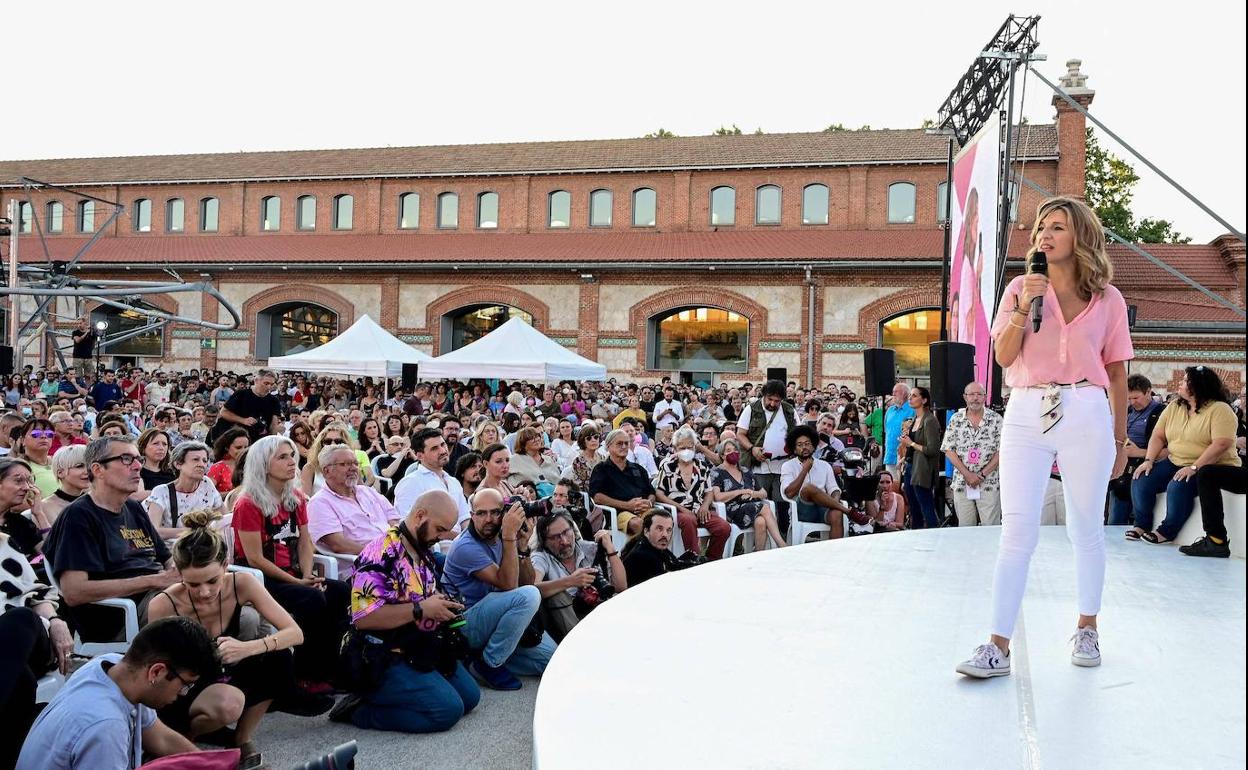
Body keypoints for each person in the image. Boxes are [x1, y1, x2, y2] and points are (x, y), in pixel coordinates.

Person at [957, 196, 1133, 679]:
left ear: (1080, 236)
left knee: (1085, 527)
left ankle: (1088, 626)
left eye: (1057, 227)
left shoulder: (1107, 297)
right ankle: (997, 645)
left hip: (1086, 408)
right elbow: (1003, 356)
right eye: (1041, 229)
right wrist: (1020, 307)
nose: (1045, 236)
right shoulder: (1019, 286)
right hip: (1027, 408)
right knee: (1016, 531)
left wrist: (1121, 441)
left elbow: (1117, 374)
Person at [147, 511, 302, 764]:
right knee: (228, 704)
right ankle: (184, 738)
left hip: (225, 670)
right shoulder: (164, 604)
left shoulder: (242, 583)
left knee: (280, 657)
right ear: (179, 575)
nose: (204, 592)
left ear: (225, 565)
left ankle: (241, 738)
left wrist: (248, 648)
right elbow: (154, 671)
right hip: (184, 685)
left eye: (212, 580)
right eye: (193, 585)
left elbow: (295, 633)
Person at [336, 489, 480, 733]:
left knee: (470, 698)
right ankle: (360, 710)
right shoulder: (380, 553)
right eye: (440, 529)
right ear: (420, 515)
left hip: (417, 645)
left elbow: (420, 596)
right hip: (383, 652)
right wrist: (422, 608)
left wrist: (440, 604)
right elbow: (364, 618)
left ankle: (410, 691)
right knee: (447, 711)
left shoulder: (421, 549)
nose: (443, 536)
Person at [17, 616, 218, 770]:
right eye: (185, 685)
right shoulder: (106, 728)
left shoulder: (111, 665)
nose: (183, 694)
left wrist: (211, 765)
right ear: (156, 671)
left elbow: (161, 738)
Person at [232, 435, 351, 687]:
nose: (291, 462)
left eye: (292, 456)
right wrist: (298, 582)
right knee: (311, 598)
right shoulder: (248, 503)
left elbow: (306, 542)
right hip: (260, 578)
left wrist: (307, 575)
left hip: (294, 574)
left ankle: (331, 667)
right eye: (282, 457)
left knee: (341, 592)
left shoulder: (295, 497)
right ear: (264, 464)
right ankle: (305, 675)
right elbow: (254, 558)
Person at [43, 437, 180, 642]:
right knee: (197, 599)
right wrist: (154, 580)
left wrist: (185, 573)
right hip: (118, 617)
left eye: (138, 459)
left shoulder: (133, 508)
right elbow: (74, 592)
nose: (137, 467)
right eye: (126, 459)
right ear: (98, 470)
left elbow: (166, 557)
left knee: (234, 585)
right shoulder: (78, 517)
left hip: (157, 597)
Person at [442, 487, 557, 690]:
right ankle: (489, 663)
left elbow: (527, 583)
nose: (489, 519)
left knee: (553, 662)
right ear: (472, 515)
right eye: (481, 513)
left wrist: (522, 546)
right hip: (465, 624)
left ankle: (480, 657)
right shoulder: (465, 547)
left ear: (504, 513)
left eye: (495, 512)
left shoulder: (502, 536)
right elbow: (510, 586)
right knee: (529, 596)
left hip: (499, 620)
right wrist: (510, 536)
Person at [0, 458, 75, 769]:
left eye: (30, 480)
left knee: (20, 620)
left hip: (31, 628)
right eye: (18, 480)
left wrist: (56, 621)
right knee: (22, 682)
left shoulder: (20, 525)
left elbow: (47, 568)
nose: (27, 487)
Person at [1130, 366, 1241, 549]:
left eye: (1184, 381)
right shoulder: (1174, 406)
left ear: (1197, 386)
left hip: (1208, 466)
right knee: (1141, 478)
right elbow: (1158, 435)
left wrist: (1194, 467)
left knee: (1178, 486)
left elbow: (1221, 443)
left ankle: (1166, 532)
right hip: (1175, 461)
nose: (1179, 384)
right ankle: (1141, 525)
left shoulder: (1220, 409)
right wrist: (1148, 460)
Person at [531, 512, 626, 641]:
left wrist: (610, 549)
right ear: (545, 541)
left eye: (566, 532)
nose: (564, 541)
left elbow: (621, 587)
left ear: (573, 530)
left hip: (600, 612)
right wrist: (571, 581)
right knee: (556, 596)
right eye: (555, 537)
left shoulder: (590, 549)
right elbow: (532, 589)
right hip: (570, 621)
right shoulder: (541, 557)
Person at [308, 443, 401, 575]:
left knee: (435, 560)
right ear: (326, 471)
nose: (353, 468)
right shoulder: (320, 502)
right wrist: (379, 552)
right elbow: (338, 544)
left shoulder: (368, 492)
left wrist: (397, 545)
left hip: (394, 556)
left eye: (355, 464)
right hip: (362, 567)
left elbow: (394, 520)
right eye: (344, 464)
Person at [655, 426, 731, 560]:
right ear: (675, 448)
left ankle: (711, 560)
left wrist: (705, 506)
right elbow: (659, 493)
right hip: (677, 510)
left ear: (694, 448)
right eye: (682, 448)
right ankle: (693, 560)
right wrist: (681, 508)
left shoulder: (701, 466)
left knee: (723, 527)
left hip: (699, 509)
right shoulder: (668, 466)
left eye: (689, 447)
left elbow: (709, 492)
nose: (686, 451)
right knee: (689, 520)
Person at [735, 380, 798, 535]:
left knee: (782, 504)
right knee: (759, 504)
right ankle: (758, 539)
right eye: (770, 399)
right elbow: (740, 434)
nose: (772, 403)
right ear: (764, 395)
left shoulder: (789, 411)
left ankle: (781, 537)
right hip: (758, 466)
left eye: (777, 401)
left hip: (783, 466)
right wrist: (752, 448)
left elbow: (798, 434)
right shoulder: (751, 409)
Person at [781, 424, 861, 540]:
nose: (804, 447)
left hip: (823, 509)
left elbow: (834, 489)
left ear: (813, 446)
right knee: (808, 488)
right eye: (800, 445)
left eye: (807, 444)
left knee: (836, 514)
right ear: (794, 449)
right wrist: (804, 470)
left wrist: (834, 504)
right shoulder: (788, 466)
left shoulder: (824, 466)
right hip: (802, 511)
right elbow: (788, 493)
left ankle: (835, 553)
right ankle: (849, 511)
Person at [941, 382, 1003, 527]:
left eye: (979, 394)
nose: (975, 398)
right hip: (963, 482)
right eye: (971, 394)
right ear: (965, 397)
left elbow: (1002, 451)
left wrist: (981, 475)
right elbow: (948, 449)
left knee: (990, 527)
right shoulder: (956, 419)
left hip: (989, 482)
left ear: (985, 397)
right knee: (965, 527)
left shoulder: (996, 420)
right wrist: (968, 474)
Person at [1108, 374, 1167, 525]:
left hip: (1144, 472)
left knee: (1139, 523)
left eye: (1136, 398)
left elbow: (1173, 450)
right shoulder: (1127, 411)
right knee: (1115, 520)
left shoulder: (1162, 413)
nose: (1133, 402)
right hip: (1121, 474)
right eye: (1130, 399)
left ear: (1149, 392)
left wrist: (1140, 452)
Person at [709, 437, 786, 551]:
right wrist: (740, 492)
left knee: (761, 522)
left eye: (735, 450)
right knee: (764, 507)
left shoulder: (745, 471)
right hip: (731, 509)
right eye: (729, 450)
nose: (733, 452)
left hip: (751, 507)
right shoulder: (717, 472)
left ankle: (758, 555)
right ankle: (782, 545)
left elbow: (763, 493)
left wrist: (752, 494)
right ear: (722, 455)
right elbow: (718, 497)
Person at [143, 441, 224, 541]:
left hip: (202, 546)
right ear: (178, 464)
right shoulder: (161, 492)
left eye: (204, 460)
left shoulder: (206, 484)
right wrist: (193, 531)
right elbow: (153, 530)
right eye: (195, 460)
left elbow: (222, 516)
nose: (201, 464)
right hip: (172, 550)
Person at [394, 428, 472, 528]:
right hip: (433, 543)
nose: (443, 451)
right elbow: (408, 526)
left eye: (443, 445)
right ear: (420, 456)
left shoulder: (453, 482)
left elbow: (465, 518)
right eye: (434, 448)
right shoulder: (411, 482)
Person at [589, 429, 656, 537]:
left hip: (643, 509)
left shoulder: (638, 469)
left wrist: (649, 503)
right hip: (618, 513)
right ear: (609, 446)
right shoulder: (601, 469)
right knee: (638, 524)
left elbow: (651, 492)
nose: (624, 446)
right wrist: (627, 505)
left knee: (662, 521)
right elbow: (597, 497)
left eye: (626, 443)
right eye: (619, 443)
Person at [899, 386, 942, 529]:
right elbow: (911, 447)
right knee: (914, 508)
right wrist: (904, 456)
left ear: (924, 400)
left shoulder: (930, 420)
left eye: (914, 395)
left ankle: (934, 535)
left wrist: (911, 443)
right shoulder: (914, 420)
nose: (910, 398)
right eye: (910, 395)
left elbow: (933, 449)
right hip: (910, 467)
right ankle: (915, 536)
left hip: (922, 469)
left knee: (926, 506)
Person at [217, 369, 281, 444]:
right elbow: (224, 412)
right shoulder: (241, 394)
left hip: (260, 441)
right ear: (256, 381)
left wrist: (272, 442)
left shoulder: (274, 401)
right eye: (266, 383)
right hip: (239, 439)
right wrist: (243, 420)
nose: (269, 387)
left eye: (272, 384)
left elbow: (273, 426)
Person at [620, 508, 680, 586]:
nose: (665, 534)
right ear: (646, 531)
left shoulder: (655, 546)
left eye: (669, 530)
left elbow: (676, 565)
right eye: (659, 529)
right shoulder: (643, 555)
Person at [42, 444, 90, 523]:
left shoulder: (96, 501)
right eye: (79, 466)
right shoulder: (45, 506)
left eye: (89, 465)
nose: (87, 471)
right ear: (60, 473)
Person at [507, 426, 562, 496]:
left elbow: (559, 481)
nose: (536, 440)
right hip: (529, 500)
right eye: (531, 438)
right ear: (523, 443)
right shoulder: (514, 460)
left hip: (555, 499)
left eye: (537, 436)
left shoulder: (548, 459)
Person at [13, 419, 58, 497]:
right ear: (23, 440)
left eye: (49, 434)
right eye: (36, 433)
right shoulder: (17, 467)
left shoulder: (59, 462)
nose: (44, 436)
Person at [207, 427, 249, 496]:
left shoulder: (251, 466)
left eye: (246, 447)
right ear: (227, 447)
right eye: (238, 447)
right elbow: (207, 494)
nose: (243, 451)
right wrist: (234, 494)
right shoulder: (218, 467)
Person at [137, 426, 176, 494]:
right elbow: (136, 497)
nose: (161, 448)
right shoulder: (137, 471)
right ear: (143, 447)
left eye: (164, 444)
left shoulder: (172, 472)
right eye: (156, 444)